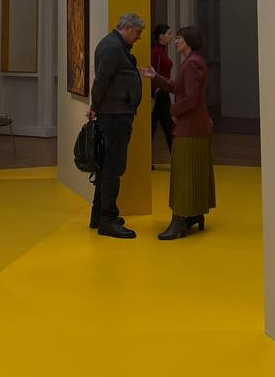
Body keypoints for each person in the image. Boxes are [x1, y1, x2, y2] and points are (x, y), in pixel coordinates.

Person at [143, 25, 216, 240]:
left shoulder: (193, 63)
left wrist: (172, 111)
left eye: (179, 38)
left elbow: (191, 98)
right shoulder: (192, 61)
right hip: (194, 127)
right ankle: (193, 214)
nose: (175, 41)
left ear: (189, 41)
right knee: (191, 173)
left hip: (189, 128)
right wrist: (155, 77)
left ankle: (179, 219)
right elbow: (177, 87)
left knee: (183, 175)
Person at [87, 12, 145, 239]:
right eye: (138, 32)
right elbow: (101, 79)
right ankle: (108, 219)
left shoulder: (114, 45)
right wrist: (95, 105)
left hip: (115, 114)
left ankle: (99, 214)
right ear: (127, 27)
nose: (139, 37)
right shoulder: (112, 46)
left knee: (107, 166)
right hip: (115, 116)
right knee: (113, 167)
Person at [150, 24, 174, 162]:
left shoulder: (160, 52)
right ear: (161, 36)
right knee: (168, 126)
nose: (171, 36)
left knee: (156, 126)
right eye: (168, 34)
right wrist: (156, 89)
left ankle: (148, 160)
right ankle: (176, 159)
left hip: (160, 92)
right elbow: (154, 73)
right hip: (160, 93)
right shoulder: (157, 53)